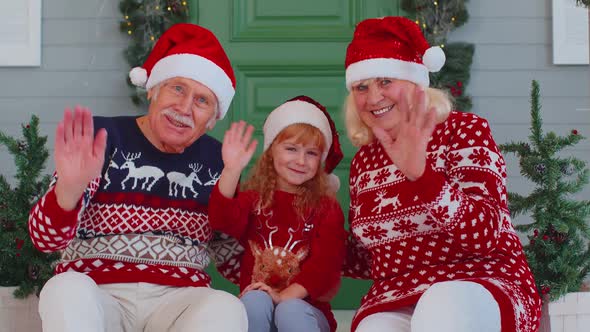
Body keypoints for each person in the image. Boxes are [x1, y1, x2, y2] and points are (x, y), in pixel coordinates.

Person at [28, 23, 248, 332]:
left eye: (202, 100)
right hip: (99, 292)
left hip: (179, 300)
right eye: (177, 88)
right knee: (65, 288)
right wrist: (69, 189)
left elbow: (233, 260)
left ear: (212, 119)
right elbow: (44, 240)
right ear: (153, 91)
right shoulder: (102, 138)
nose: (184, 108)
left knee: (226, 307)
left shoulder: (219, 161)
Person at [341, 16, 542, 332]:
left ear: (415, 83)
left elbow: (486, 234)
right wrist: (308, 227)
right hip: (397, 294)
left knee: (440, 307)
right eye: (362, 87)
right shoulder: (364, 161)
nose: (373, 97)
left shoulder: (464, 131)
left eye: (385, 81)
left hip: (480, 279)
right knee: (373, 328)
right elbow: (371, 259)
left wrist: (422, 176)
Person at [207, 96, 347, 332]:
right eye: (291, 149)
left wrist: (283, 297)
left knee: (289, 309)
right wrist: (232, 170)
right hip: (259, 307)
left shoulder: (326, 207)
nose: (301, 161)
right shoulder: (254, 199)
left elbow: (325, 266)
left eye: (312, 153)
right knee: (253, 300)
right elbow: (222, 220)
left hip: (306, 312)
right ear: (271, 151)